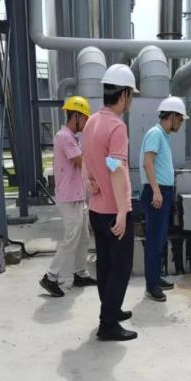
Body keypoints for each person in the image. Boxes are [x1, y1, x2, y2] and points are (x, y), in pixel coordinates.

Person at [82, 64, 138, 341]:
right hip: (114, 210)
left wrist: (89, 182)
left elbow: (86, 159)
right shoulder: (117, 126)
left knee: (105, 264)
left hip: (96, 208)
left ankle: (110, 310)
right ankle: (108, 324)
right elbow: (116, 169)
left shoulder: (91, 122)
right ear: (124, 94)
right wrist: (123, 211)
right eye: (132, 95)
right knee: (122, 266)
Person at [40, 96, 97, 297]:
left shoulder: (72, 137)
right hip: (69, 197)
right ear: (76, 116)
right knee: (71, 237)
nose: (86, 122)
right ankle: (50, 276)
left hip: (77, 196)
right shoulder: (63, 137)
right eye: (85, 118)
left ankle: (80, 273)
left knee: (84, 237)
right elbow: (81, 161)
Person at [139, 96, 188, 302]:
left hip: (162, 192)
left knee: (159, 240)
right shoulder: (155, 133)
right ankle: (151, 286)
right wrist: (157, 191)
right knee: (154, 240)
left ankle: (155, 278)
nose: (181, 123)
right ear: (173, 116)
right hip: (156, 192)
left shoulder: (163, 135)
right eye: (181, 119)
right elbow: (147, 162)